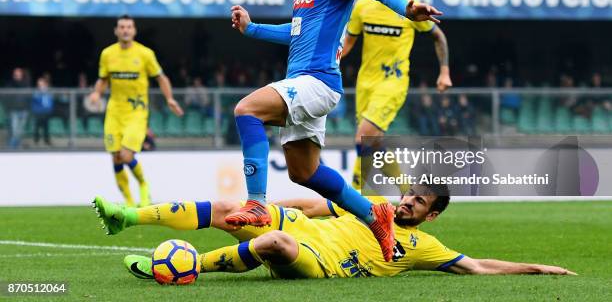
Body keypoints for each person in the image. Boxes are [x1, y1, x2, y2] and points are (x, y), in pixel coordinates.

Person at [227, 0, 442, 262]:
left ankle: (256, 204)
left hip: (317, 81)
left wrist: (409, 7)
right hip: (303, 82)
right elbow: (295, 32)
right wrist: (252, 29)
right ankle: (376, 215)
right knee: (304, 172)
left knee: (246, 109)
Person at [91, 184, 575, 280]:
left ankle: (184, 269)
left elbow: (477, 265)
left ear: (430, 216)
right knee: (228, 208)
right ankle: (127, 217)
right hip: (303, 225)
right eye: (410, 194)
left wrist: (537, 267)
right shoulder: (377, 205)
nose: (407, 201)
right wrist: (259, 207)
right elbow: (313, 202)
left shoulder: (422, 245)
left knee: (272, 243)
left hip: (319, 262)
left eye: (419, 203)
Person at [341, 0, 451, 190]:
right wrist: (328, 64)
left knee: (364, 138)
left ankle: (352, 196)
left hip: (393, 82)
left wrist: (444, 72)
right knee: (373, 142)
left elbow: (438, 36)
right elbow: (348, 42)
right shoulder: (362, 8)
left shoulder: (409, 8)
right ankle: (407, 190)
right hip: (366, 82)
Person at [89, 15, 184, 207]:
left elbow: (161, 77)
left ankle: (143, 184)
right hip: (114, 112)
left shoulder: (145, 54)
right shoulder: (107, 54)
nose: (125, 30)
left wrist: (169, 98)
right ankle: (130, 203)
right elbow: (103, 79)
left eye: (129, 27)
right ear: (116, 31)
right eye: (122, 27)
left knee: (126, 155)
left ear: (134, 31)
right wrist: (96, 93)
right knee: (115, 157)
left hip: (136, 112)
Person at [6, 67, 30, 149]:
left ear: (21, 74)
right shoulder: (10, 84)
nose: (16, 74)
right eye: (15, 73)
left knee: (20, 131)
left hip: (24, 111)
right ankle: (11, 148)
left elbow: (27, 94)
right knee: (14, 131)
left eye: (18, 73)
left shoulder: (26, 83)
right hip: (14, 110)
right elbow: (7, 97)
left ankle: (17, 147)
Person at [31, 76, 54, 146]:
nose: (40, 86)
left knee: (46, 127)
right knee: (37, 126)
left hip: (46, 112)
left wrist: (49, 109)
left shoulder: (49, 91)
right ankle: (36, 140)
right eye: (39, 84)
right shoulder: (36, 92)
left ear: (45, 84)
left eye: (42, 84)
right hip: (38, 112)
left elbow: (50, 102)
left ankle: (47, 140)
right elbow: (35, 101)